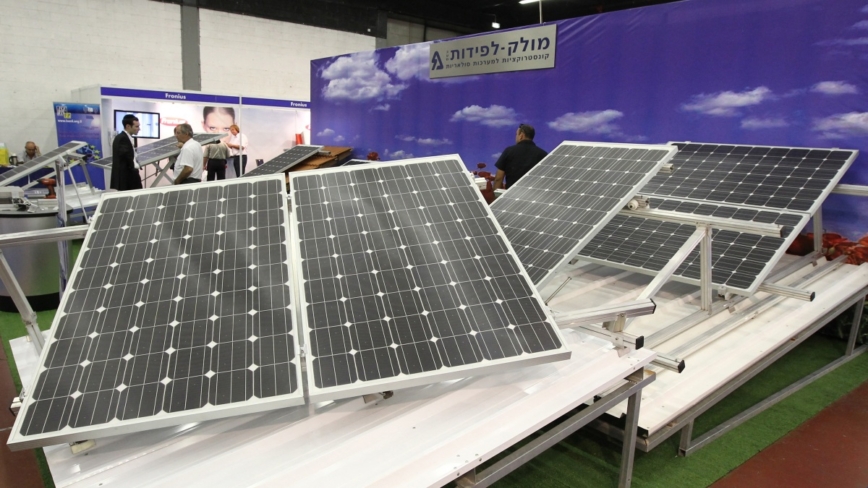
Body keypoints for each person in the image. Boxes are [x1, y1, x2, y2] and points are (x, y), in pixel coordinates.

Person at [493, 124, 548, 190]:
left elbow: (498, 178)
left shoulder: (509, 151)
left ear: (521, 136)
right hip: (535, 194)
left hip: (511, 194)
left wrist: (496, 194)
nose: (516, 137)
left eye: (516, 134)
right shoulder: (543, 154)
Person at [110, 114, 143, 191]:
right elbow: (127, 158)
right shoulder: (122, 138)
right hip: (127, 179)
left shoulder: (125, 137)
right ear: (128, 126)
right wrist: (135, 168)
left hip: (129, 177)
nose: (139, 129)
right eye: (136, 126)